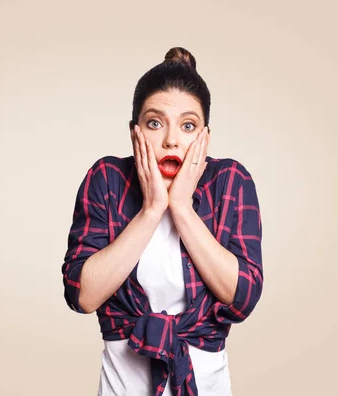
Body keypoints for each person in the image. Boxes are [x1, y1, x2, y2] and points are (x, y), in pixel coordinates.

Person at [61, 47, 263, 396]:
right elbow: (82, 294)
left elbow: (242, 296)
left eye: (188, 125)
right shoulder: (107, 178)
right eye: (155, 123)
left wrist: (182, 208)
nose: (171, 139)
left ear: (205, 137)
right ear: (134, 131)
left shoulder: (230, 181)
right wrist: (152, 209)